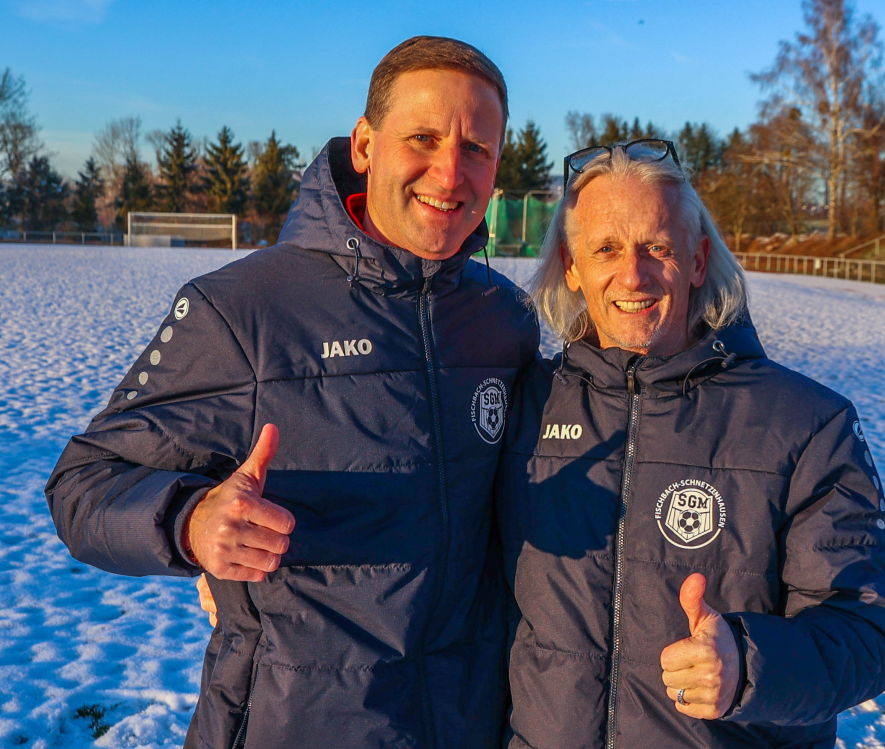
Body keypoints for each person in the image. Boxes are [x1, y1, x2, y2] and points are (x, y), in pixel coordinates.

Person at [46, 36, 539, 749]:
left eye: (477, 149)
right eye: (423, 138)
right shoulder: (245, 309)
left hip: (470, 719)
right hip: (295, 722)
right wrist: (191, 521)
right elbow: (82, 484)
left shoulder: (504, 319)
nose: (449, 171)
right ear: (366, 144)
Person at [495, 140, 885, 749]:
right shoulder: (520, 406)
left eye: (656, 247)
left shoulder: (806, 422)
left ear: (696, 261)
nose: (632, 275)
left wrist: (750, 665)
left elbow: (869, 633)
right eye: (606, 248)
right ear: (572, 265)